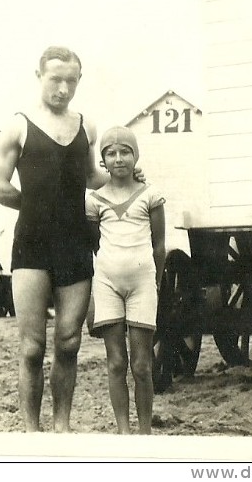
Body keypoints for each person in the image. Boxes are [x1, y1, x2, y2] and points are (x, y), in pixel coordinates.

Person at [0, 46, 143, 433]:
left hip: (76, 244)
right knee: (31, 347)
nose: (63, 88)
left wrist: (127, 182)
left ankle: (61, 427)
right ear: (38, 75)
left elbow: (92, 178)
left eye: (71, 81)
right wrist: (40, 208)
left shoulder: (87, 127)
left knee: (70, 342)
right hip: (32, 246)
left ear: (79, 80)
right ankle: (30, 432)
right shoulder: (18, 126)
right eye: (55, 79)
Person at [85, 126, 166, 435]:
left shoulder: (151, 195)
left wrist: (153, 281)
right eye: (110, 153)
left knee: (142, 366)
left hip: (143, 285)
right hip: (107, 286)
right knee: (116, 363)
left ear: (136, 156)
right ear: (103, 160)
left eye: (125, 152)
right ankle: (124, 433)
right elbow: (96, 244)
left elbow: (159, 245)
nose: (118, 159)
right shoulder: (94, 201)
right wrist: (110, 269)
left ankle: (144, 432)